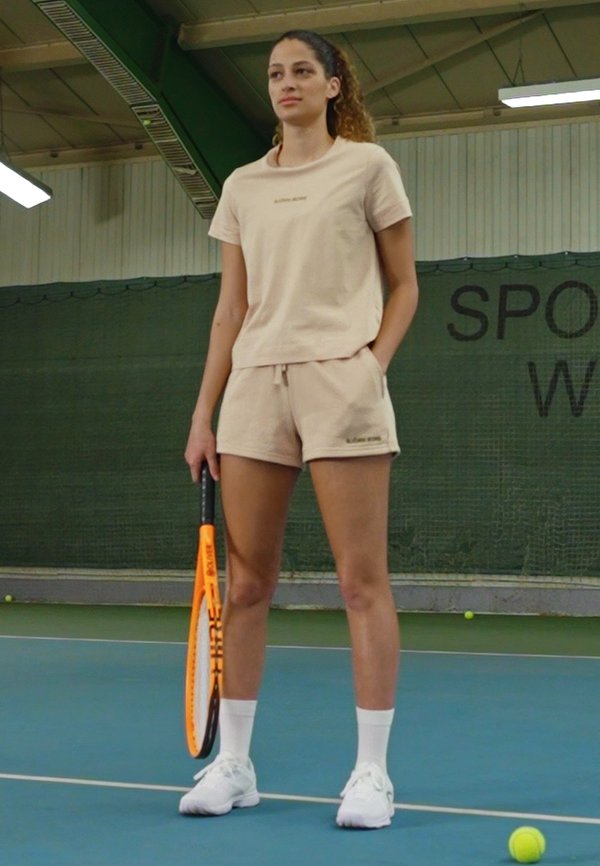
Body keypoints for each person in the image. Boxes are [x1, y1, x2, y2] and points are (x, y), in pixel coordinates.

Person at [180, 29, 418, 830]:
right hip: (254, 390)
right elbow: (230, 309)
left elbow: (406, 285)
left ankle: (372, 774)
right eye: (277, 73)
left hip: (340, 385)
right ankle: (236, 765)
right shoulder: (242, 185)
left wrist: (369, 367)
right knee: (245, 586)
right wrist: (204, 413)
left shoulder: (368, 167)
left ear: (333, 84)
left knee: (361, 583)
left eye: (303, 71)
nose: (287, 83)